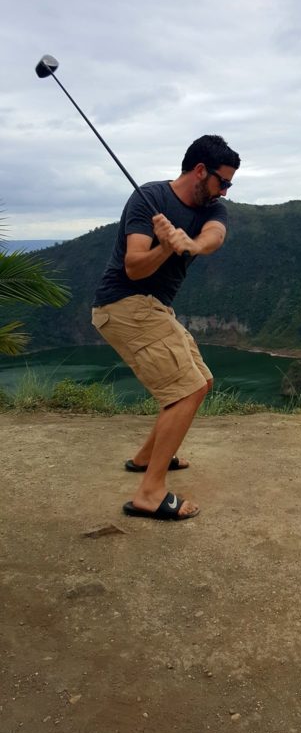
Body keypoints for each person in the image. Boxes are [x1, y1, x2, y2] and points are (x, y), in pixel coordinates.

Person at [91, 134, 240, 521]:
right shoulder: (148, 199)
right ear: (199, 171)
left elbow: (215, 237)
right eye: (221, 181)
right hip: (123, 304)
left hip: (155, 308)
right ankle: (149, 493)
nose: (225, 190)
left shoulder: (213, 208)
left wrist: (189, 243)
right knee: (186, 389)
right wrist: (165, 247)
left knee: (201, 382)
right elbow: (134, 267)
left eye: (229, 184)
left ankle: (145, 458)